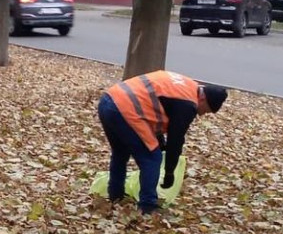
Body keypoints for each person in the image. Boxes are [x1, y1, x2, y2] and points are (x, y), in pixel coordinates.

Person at [97, 70, 227, 214]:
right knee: (152, 158)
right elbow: (176, 140)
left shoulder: (186, 85)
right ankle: (148, 206)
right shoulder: (188, 105)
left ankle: (115, 195)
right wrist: (169, 172)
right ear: (203, 100)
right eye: (206, 110)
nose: (202, 114)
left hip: (108, 100)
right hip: (126, 110)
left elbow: (154, 107)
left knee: (120, 153)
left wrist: (160, 141)